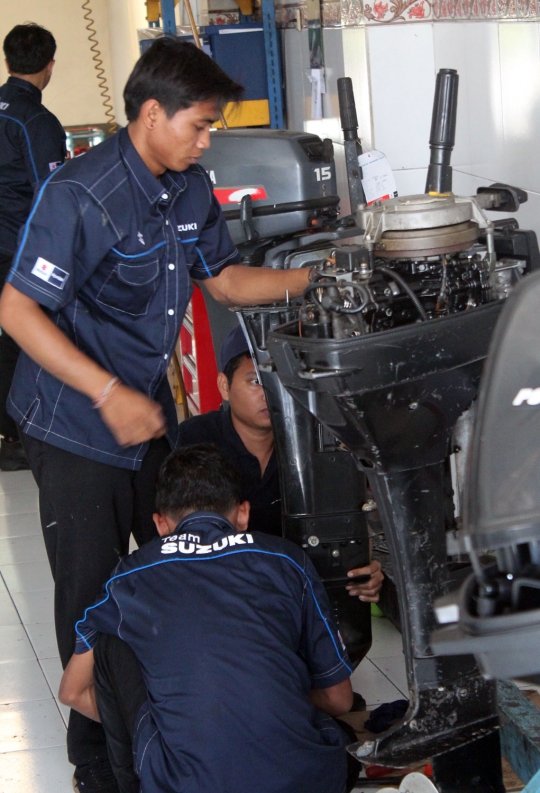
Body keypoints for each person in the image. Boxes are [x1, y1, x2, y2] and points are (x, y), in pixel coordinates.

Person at [0, 38, 313, 791]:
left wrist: (317, 277)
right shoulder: (81, 192)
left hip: (146, 416)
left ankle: (190, 706)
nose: (207, 141)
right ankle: (92, 759)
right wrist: (107, 392)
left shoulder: (189, 186)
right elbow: (17, 308)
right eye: (200, 125)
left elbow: (228, 282)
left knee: (190, 555)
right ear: (151, 112)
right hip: (76, 423)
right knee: (89, 591)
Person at [59, 444, 357, 793]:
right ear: (243, 514)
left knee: (109, 640)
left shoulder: (129, 577)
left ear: (160, 524)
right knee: (338, 735)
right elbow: (340, 701)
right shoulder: (287, 560)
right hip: (310, 780)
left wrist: (167, 718)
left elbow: (73, 692)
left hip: (186, 785)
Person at [178, 323, 384, 603]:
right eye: (256, 381)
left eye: (282, 380)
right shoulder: (192, 443)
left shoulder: (320, 447)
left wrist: (364, 568)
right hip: (217, 598)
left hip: (292, 595)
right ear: (224, 387)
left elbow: (347, 525)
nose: (271, 392)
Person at [0, 23, 65, 471]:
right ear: (49, 65)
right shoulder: (36, 121)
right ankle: (20, 434)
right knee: (23, 339)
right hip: (18, 250)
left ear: (7, 62)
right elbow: (53, 195)